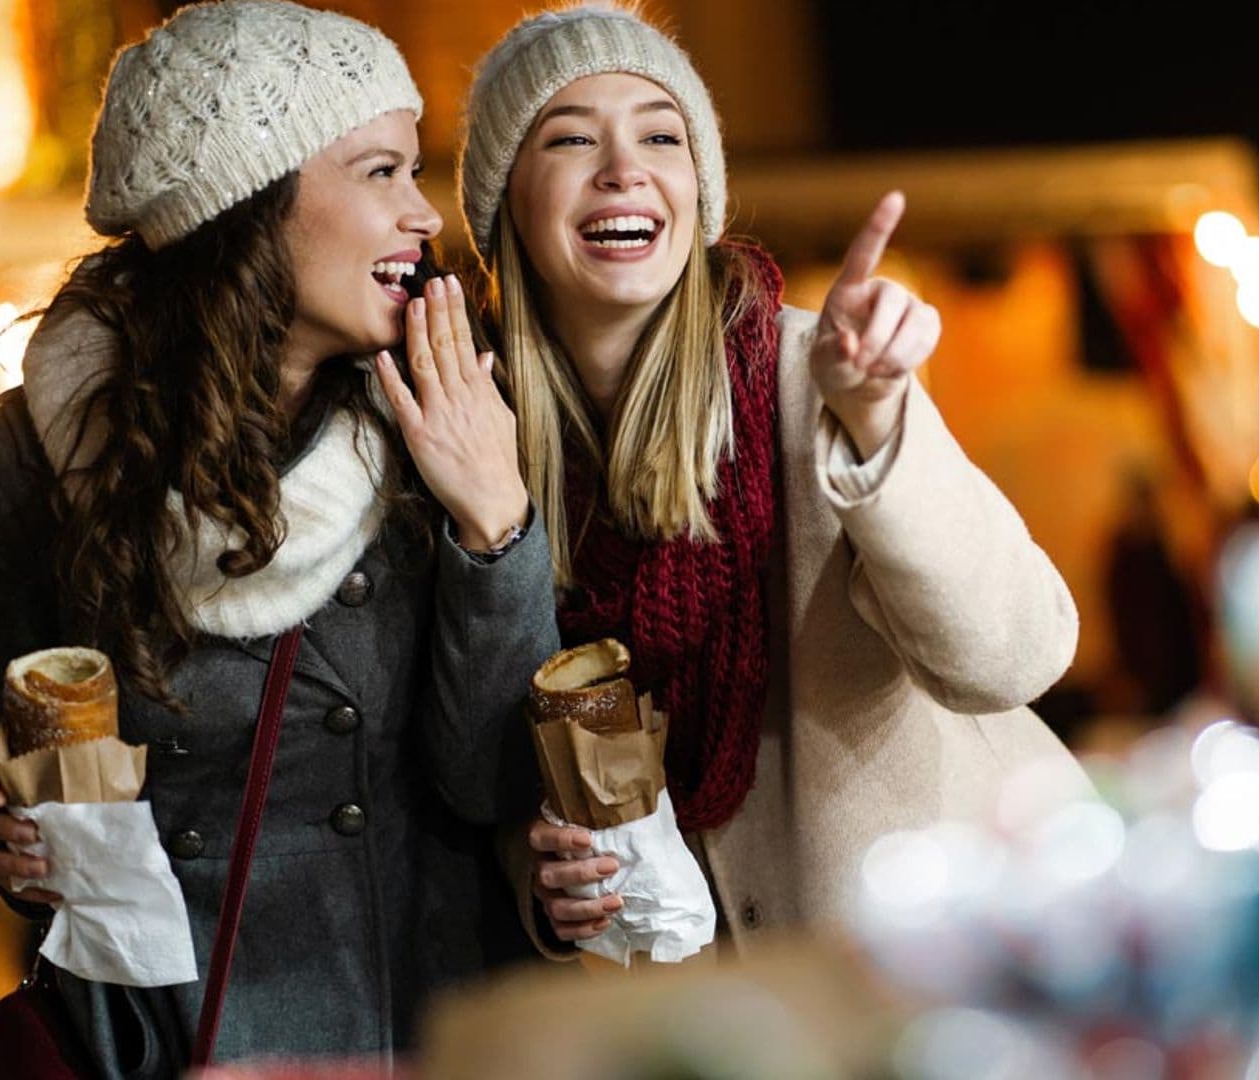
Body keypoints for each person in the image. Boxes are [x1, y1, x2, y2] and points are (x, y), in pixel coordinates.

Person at [0, 1, 556, 1072]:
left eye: (416, 172)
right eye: (379, 173)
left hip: (417, 1020)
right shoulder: (24, 463)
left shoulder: (441, 418)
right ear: (249, 203)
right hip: (169, 1037)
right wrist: (4, 839)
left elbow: (490, 781)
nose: (422, 214)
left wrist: (494, 520)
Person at [457, 5, 1082, 953]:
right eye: (573, 138)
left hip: (965, 958)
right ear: (508, 201)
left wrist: (879, 427)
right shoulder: (482, 438)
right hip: (734, 1010)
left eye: (661, 137)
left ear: (698, 194)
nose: (624, 169)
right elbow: (494, 762)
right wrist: (542, 883)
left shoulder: (810, 373)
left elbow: (1013, 658)